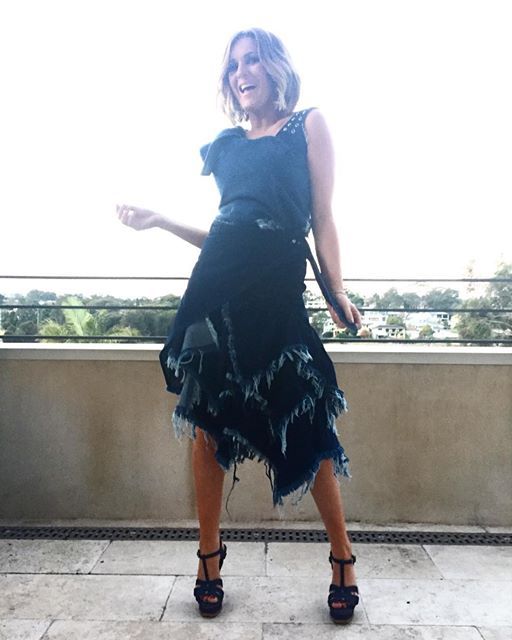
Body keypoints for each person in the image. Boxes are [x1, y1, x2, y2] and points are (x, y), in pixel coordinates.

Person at [117, 27, 362, 624]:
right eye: (233, 66)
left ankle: (343, 559)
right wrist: (161, 220)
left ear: (275, 67)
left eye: (252, 60)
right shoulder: (226, 147)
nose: (241, 72)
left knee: (307, 424)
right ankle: (209, 558)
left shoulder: (307, 125)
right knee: (206, 427)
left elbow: (323, 217)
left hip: (277, 299)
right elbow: (227, 230)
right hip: (217, 297)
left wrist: (336, 289)